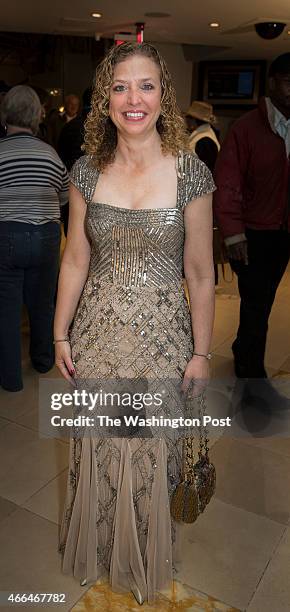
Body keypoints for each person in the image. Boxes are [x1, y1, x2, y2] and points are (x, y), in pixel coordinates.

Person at [54, 42, 215, 604]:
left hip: (163, 343)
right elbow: (75, 257)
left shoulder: (192, 174)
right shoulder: (85, 171)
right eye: (120, 87)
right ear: (105, 100)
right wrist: (59, 334)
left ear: (163, 97)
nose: (133, 98)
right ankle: (102, 553)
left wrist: (201, 352)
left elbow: (199, 273)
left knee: (151, 455)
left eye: (146, 85)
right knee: (98, 446)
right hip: (97, 340)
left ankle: (145, 561)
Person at [214, 53, 290, 379]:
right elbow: (227, 184)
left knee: (264, 301)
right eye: (289, 81)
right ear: (272, 83)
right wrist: (233, 233)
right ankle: (251, 374)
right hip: (253, 234)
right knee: (256, 305)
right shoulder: (246, 128)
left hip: (283, 231)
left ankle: (243, 347)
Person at [0, 85, 69, 392]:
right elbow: (65, 197)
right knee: (42, 304)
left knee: (7, 310)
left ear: (5, 115)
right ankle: (42, 361)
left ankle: (10, 378)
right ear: (37, 117)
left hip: (6, 236)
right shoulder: (49, 154)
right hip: (45, 237)